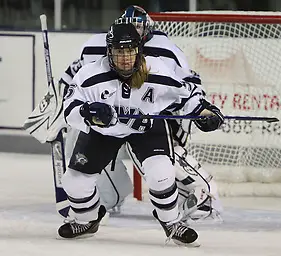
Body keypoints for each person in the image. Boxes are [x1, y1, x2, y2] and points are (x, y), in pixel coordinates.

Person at [24, 5, 222, 221]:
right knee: (78, 145)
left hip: (149, 118)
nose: (133, 36)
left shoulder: (166, 50)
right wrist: (57, 109)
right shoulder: (94, 46)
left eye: (139, 30)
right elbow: (71, 80)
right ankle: (102, 202)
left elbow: (187, 87)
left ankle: (195, 195)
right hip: (107, 121)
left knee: (160, 164)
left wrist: (199, 113)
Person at [60, 22, 224, 245]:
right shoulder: (91, 75)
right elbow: (69, 107)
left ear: (139, 51)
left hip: (147, 128)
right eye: (119, 51)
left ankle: (172, 222)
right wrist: (87, 112)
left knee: (162, 174)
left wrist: (205, 112)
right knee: (74, 182)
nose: (125, 57)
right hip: (104, 131)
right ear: (109, 52)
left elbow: (186, 96)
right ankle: (87, 220)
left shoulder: (157, 71)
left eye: (130, 51)